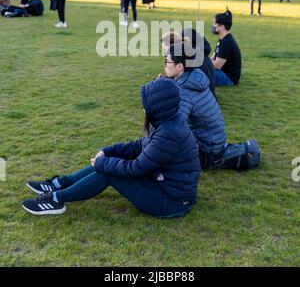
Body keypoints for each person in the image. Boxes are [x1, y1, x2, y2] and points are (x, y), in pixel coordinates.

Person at [22, 78, 200, 217]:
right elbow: (141, 145)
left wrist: (103, 163)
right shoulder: (169, 122)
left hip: (171, 202)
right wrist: (108, 150)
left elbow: (135, 168)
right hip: (166, 187)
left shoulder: (169, 133)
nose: (143, 108)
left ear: (157, 107)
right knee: (110, 163)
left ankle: (56, 199)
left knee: (109, 171)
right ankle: (60, 184)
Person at [164, 44, 261, 171]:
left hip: (206, 150)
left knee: (162, 152)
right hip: (214, 141)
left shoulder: (184, 91)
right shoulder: (195, 77)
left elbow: (175, 127)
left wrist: (154, 107)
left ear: (180, 66)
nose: (165, 63)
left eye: (167, 60)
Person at [161, 29, 216, 96]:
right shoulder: (191, 52)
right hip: (208, 95)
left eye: (166, 51)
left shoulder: (186, 58)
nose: (166, 54)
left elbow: (183, 80)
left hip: (199, 96)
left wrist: (165, 80)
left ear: (171, 45)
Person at [210, 9, 241, 87]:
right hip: (221, 72)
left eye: (214, 23)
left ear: (222, 27)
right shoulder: (222, 39)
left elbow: (217, 65)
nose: (212, 25)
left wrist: (203, 62)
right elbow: (213, 58)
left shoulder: (227, 42)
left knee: (200, 72)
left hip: (228, 78)